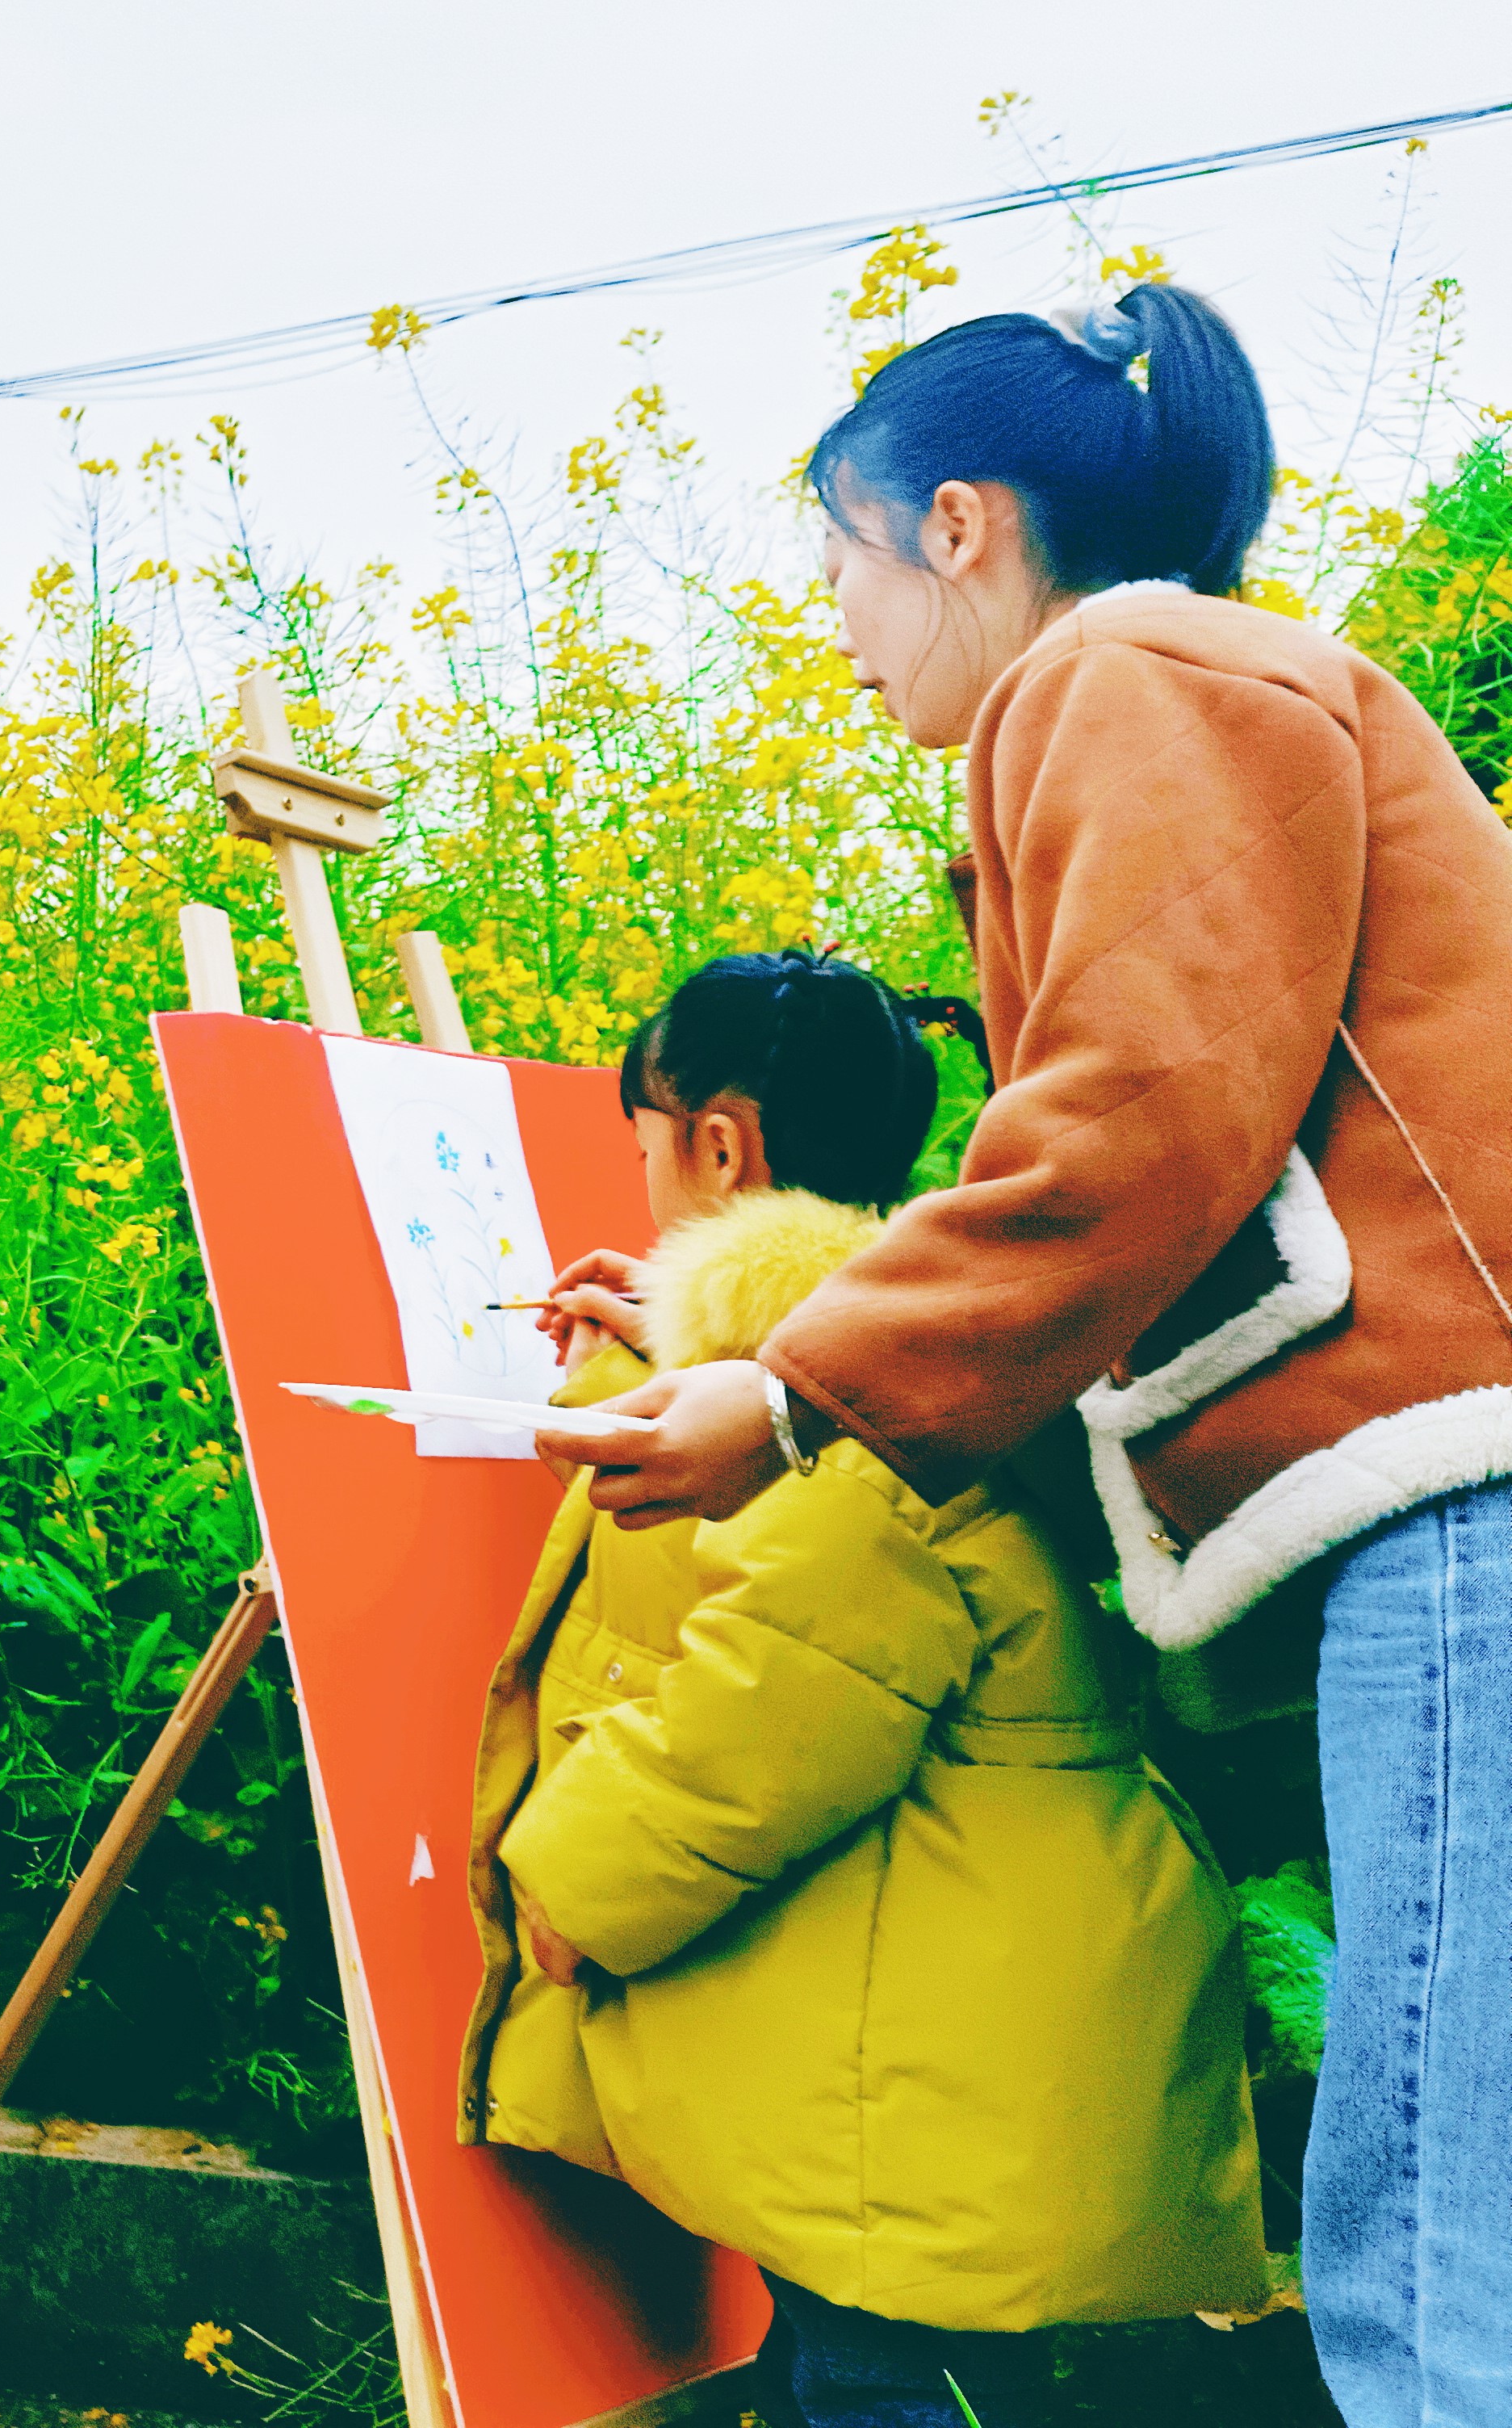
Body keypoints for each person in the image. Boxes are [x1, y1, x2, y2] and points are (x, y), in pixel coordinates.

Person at [542, 283, 1512, 2426]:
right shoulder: (1217, 683)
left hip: (1463, 1516)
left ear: (960, 527)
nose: (845, 630)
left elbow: (1135, 1121)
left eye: (846, 567)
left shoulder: (1124, 669)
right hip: (1450, 1519)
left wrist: (788, 1389)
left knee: (1437, 2247)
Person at [475, 947, 1262, 2428]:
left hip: (922, 2082)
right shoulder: (912, 1345)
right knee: (853, 2364)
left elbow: (777, 1702)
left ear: (718, 1141)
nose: (642, 1172)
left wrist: (567, 1881)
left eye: (643, 1136)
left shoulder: (833, 1412)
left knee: (882, 2382)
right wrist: (666, 1337)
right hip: (963, 2024)